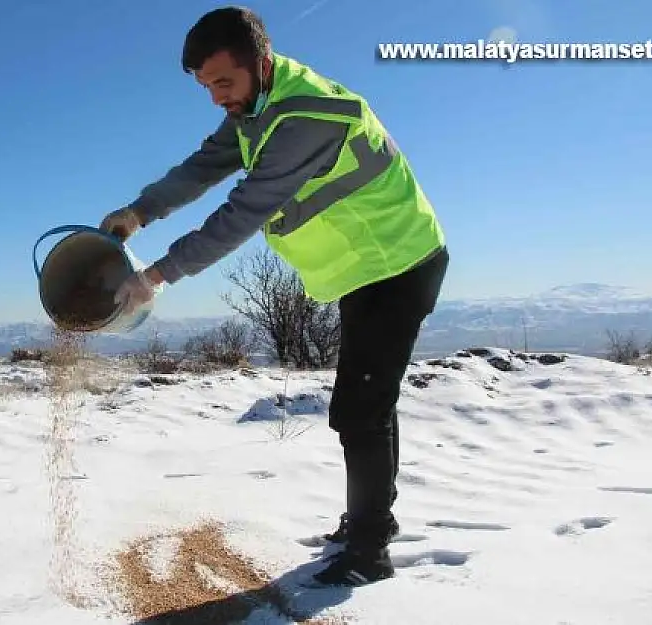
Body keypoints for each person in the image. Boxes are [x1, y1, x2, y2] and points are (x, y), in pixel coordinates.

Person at [100, 6, 449, 586]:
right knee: (364, 406)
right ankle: (368, 524)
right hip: (366, 268)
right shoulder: (256, 105)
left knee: (360, 410)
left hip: (399, 263)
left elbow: (241, 214)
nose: (216, 98)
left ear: (260, 65)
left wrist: (155, 276)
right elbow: (203, 166)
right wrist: (139, 212)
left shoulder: (305, 117)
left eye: (224, 83)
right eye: (207, 87)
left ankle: (368, 553)